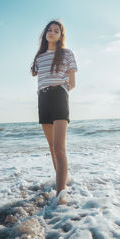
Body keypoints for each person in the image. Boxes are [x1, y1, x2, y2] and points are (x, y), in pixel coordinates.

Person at [30, 19, 78, 204]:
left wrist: (61, 90)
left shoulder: (66, 54)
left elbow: (72, 83)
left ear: (60, 35)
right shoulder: (39, 57)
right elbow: (37, 76)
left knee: (59, 148)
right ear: (45, 34)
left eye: (56, 30)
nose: (52, 32)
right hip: (42, 98)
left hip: (59, 96)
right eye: (49, 30)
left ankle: (61, 196)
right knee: (51, 147)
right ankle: (61, 182)